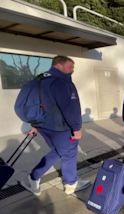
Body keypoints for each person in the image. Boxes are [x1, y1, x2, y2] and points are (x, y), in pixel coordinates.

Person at [20, 56, 91, 195]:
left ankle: (39, 177)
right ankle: (68, 183)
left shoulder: (40, 79)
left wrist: (34, 124)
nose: (72, 70)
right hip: (60, 128)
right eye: (70, 66)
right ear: (58, 65)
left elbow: (36, 103)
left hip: (43, 126)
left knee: (60, 151)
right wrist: (76, 128)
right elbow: (70, 108)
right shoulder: (62, 82)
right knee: (67, 152)